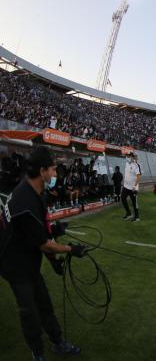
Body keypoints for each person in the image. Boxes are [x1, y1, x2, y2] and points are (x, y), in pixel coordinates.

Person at [0, 146, 87, 361]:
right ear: (42, 171)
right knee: (29, 311)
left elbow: (42, 233)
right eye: (53, 169)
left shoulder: (34, 191)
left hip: (28, 259)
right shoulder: (25, 201)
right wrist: (70, 250)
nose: (56, 174)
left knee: (44, 303)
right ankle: (37, 353)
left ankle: (57, 342)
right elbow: (44, 244)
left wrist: (54, 257)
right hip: (14, 265)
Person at [121, 152, 141, 222]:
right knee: (123, 198)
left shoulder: (136, 166)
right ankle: (129, 213)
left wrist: (135, 187)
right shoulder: (127, 164)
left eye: (129, 156)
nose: (127, 157)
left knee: (134, 203)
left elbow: (139, 177)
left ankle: (137, 217)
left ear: (132, 157)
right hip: (126, 186)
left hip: (133, 188)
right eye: (127, 156)